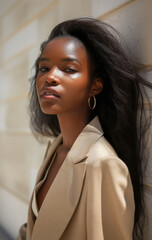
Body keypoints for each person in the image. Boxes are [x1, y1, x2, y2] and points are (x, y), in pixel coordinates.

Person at [17, 17, 152, 240]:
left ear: (95, 85)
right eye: (44, 67)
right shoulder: (56, 148)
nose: (50, 77)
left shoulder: (103, 165)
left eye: (68, 69)